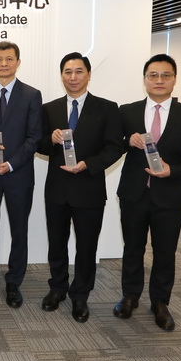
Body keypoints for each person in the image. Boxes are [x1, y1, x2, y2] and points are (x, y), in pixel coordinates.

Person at [114, 54, 181, 331]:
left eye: (165, 75)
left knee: (165, 251)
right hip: (133, 193)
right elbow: (113, 145)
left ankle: (160, 302)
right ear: (145, 79)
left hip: (170, 195)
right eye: (153, 75)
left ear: (174, 79)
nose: (159, 80)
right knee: (132, 248)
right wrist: (127, 141)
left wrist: (174, 171)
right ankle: (130, 296)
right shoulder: (127, 111)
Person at [37, 52, 123, 323]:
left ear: (88, 74)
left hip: (89, 188)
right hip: (57, 189)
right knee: (57, 243)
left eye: (78, 71)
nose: (73, 77)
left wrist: (88, 164)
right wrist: (50, 140)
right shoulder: (49, 108)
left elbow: (115, 147)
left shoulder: (107, 108)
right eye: (67, 72)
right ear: (61, 75)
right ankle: (57, 288)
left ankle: (80, 295)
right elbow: (39, 145)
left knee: (87, 246)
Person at [0, 40, 42, 307]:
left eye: (9, 59)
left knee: (19, 229)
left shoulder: (32, 94)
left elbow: (34, 137)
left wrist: (11, 164)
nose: (4, 63)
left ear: (18, 62)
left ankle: (14, 281)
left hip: (19, 174)